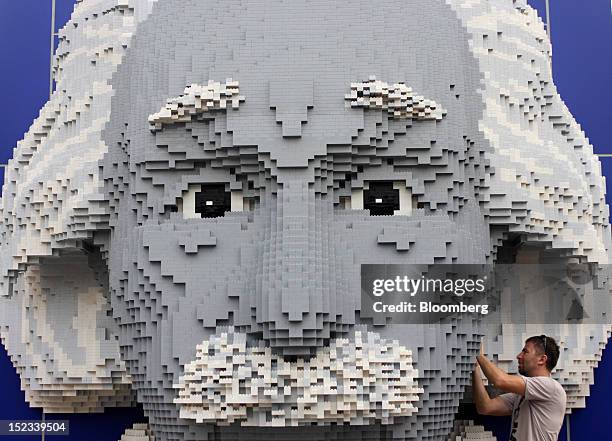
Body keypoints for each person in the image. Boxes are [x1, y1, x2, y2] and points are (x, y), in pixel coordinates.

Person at [473, 335, 567, 441]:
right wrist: (475, 367)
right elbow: (485, 407)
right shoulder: (522, 396)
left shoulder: (551, 388)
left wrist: (478, 354)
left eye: (525, 352)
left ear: (542, 359)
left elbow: (499, 380)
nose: (519, 356)